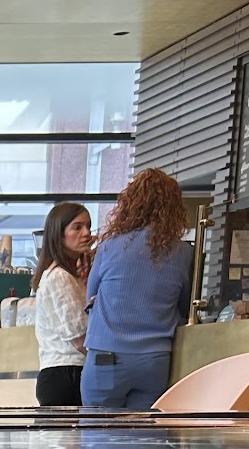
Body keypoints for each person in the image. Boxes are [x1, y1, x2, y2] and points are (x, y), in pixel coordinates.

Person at [81, 168, 192, 412]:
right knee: (142, 431)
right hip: (155, 360)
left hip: (107, 357)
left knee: (98, 429)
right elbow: (185, 307)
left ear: (130, 204)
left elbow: (90, 298)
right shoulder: (183, 252)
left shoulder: (109, 246)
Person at [32, 201, 93, 407]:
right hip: (66, 373)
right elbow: (80, 338)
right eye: (77, 227)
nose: (87, 233)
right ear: (58, 235)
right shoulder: (58, 277)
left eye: (88, 226)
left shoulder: (68, 276)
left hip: (66, 374)